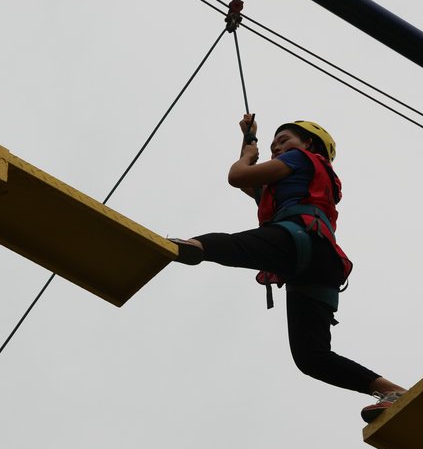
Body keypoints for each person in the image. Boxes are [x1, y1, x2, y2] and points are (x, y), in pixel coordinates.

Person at [170, 114, 406, 423]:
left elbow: (238, 176)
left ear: (308, 144)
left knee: (235, 245)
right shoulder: (300, 175)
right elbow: (253, 184)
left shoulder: (300, 159)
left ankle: (192, 246)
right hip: (321, 264)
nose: (278, 148)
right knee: (312, 357)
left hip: (300, 238)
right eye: (274, 145)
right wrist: (250, 140)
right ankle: (393, 391)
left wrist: (246, 157)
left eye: (285, 141)